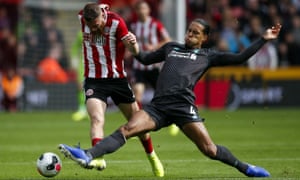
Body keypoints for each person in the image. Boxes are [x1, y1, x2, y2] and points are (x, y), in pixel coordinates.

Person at [59, 18, 281, 177]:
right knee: (126, 130)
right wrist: (132, 47)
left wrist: (263, 39)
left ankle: (246, 168)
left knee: (210, 150)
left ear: (204, 38)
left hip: (184, 107)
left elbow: (240, 58)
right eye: (189, 31)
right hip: (158, 107)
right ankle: (88, 155)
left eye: (195, 33)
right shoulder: (171, 48)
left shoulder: (208, 56)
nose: (190, 35)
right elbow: (145, 59)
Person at [60, 2, 164, 177]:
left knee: (139, 125)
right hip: (94, 81)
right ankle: (98, 156)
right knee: (96, 119)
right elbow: (95, 6)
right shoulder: (82, 18)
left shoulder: (117, 22)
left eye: (97, 24)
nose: (94, 29)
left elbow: (135, 51)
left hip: (117, 81)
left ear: (102, 16)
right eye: (90, 26)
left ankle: (152, 156)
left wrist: (134, 44)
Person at [129, 0, 178, 136]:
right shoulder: (133, 26)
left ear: (148, 10)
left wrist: (154, 47)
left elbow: (168, 40)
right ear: (137, 11)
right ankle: (137, 126)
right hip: (139, 66)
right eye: (139, 9)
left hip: (153, 66)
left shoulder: (155, 24)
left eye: (144, 9)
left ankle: (174, 121)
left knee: (164, 95)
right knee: (137, 93)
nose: (142, 11)